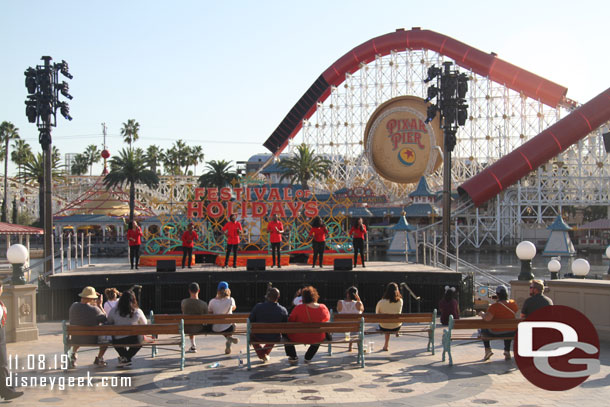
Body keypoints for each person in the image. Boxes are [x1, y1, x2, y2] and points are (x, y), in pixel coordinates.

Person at [284, 286, 330, 365]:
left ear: (304, 297)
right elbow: (327, 319)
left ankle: (293, 356)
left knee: (285, 335)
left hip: (298, 337)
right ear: (315, 296)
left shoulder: (298, 308)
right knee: (319, 335)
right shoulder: (323, 307)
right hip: (317, 336)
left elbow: (290, 321)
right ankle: (308, 357)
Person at [68, 286, 108, 368]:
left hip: (76, 338)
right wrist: (100, 305)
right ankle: (99, 358)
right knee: (106, 341)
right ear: (92, 298)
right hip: (92, 339)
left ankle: (73, 356)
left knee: (79, 335)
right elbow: (105, 319)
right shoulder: (95, 310)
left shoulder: (73, 306)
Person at [107, 290, 148, 367]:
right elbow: (145, 324)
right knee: (140, 339)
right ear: (134, 300)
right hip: (134, 339)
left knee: (114, 339)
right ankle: (127, 358)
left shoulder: (113, 311)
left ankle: (124, 358)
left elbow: (109, 322)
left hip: (118, 340)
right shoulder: (138, 311)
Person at [480, 285, 518, 361]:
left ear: (497, 295)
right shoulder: (513, 304)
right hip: (511, 332)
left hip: (495, 332)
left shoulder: (494, 307)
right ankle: (507, 351)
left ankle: (488, 350)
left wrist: (482, 314)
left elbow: (487, 318)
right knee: (507, 328)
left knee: (483, 327)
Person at [249, 288, 288, 362]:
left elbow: (250, 321)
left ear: (267, 296)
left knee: (252, 337)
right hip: (274, 337)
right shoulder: (283, 310)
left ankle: (262, 355)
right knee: (274, 334)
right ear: (278, 297)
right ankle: (263, 355)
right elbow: (285, 326)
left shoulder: (258, 307)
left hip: (258, 336)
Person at [0, 281, 23, 401]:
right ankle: (8, 391)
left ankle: (7, 391)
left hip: (1, 338)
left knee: (3, 366)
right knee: (2, 365)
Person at [208, 281, 239, 354]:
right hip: (228, 327)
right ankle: (229, 338)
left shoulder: (212, 301)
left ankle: (228, 338)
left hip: (215, 328)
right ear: (228, 290)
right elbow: (234, 308)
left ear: (218, 291)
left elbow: (209, 312)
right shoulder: (231, 300)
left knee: (221, 326)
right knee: (232, 325)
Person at [181, 282, 208, 352]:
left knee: (190, 323)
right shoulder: (204, 304)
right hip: (199, 328)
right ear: (199, 291)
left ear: (189, 291)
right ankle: (193, 345)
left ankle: (193, 345)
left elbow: (183, 312)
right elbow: (206, 317)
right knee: (194, 324)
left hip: (186, 328)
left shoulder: (184, 302)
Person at [376, 282, 403, 351]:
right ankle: (397, 332)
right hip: (396, 326)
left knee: (386, 323)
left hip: (384, 327)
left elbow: (377, 314)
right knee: (393, 321)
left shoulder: (381, 302)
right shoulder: (400, 301)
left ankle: (386, 345)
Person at [337, 286, 364, 351]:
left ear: (347, 294)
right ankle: (356, 346)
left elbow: (338, 310)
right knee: (358, 325)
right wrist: (359, 300)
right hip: (355, 328)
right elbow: (362, 310)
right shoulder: (358, 304)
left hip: (342, 327)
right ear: (356, 295)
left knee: (350, 325)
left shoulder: (340, 302)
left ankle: (350, 346)